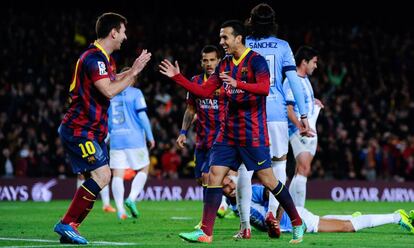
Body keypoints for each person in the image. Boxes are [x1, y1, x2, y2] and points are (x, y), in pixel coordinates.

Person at [159, 20, 305, 244]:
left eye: (225, 37)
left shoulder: (256, 61)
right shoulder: (225, 63)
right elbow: (204, 91)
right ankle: (205, 232)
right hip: (228, 133)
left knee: (269, 180)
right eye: (220, 37)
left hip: (252, 132)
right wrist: (178, 78)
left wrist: (238, 83)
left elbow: (264, 89)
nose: (221, 42)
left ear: (238, 38)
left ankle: (296, 221)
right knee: (213, 176)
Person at [54, 12, 151, 244]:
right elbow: (108, 90)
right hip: (80, 129)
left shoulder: (105, 60)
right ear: (113, 32)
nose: (125, 37)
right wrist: (134, 72)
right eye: (123, 32)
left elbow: (112, 78)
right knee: (103, 174)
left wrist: (128, 72)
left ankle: (70, 227)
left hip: (91, 130)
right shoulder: (94, 58)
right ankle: (67, 224)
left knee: (100, 176)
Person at [236, 3, 313, 239]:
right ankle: (271, 213)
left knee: (244, 168)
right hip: (276, 113)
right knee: (279, 164)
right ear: (272, 23)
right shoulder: (283, 47)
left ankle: (245, 226)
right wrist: (303, 116)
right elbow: (294, 82)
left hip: (249, 111)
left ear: (251, 21)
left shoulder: (244, 44)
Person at [175, 45, 235, 226]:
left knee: (211, 178)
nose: (209, 64)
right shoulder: (195, 81)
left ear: (219, 61)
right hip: (202, 140)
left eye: (212, 60)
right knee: (203, 180)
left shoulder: (225, 82)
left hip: (221, 139)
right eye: (205, 60)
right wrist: (183, 132)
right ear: (201, 62)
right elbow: (191, 108)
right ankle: (234, 203)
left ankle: (205, 223)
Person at [233, 184, 414, 235]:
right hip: (298, 218)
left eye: (228, 183)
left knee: (348, 227)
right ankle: (349, 215)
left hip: (299, 221)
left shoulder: (253, 191)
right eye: (225, 188)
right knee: (333, 220)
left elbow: (278, 194)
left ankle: (397, 216)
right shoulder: (236, 206)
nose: (229, 187)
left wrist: (277, 220)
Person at [108, 67, 155, 220]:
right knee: (144, 168)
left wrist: (107, 137)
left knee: (117, 174)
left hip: (116, 139)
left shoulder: (111, 94)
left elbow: (107, 120)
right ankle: (132, 198)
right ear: (133, 79)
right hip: (134, 138)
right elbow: (142, 117)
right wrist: (150, 136)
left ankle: (120, 210)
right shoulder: (136, 93)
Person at [283, 46, 322, 207]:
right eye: (314, 62)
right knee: (303, 168)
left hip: (306, 127)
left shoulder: (303, 79)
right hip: (300, 130)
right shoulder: (293, 81)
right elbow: (289, 109)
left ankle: (290, 212)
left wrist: (313, 102)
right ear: (304, 62)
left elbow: (301, 102)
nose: (315, 66)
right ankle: (299, 213)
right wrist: (300, 127)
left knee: (302, 169)